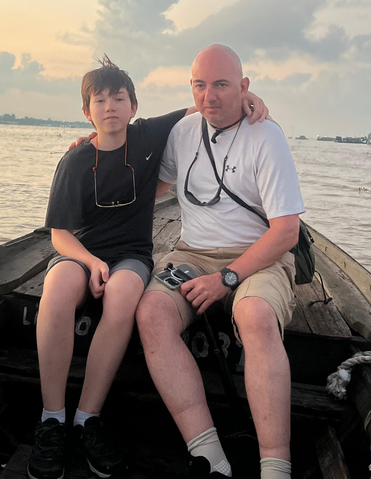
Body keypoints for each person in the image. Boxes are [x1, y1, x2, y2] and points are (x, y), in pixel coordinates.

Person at [29, 56, 267, 479]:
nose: (110, 107)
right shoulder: (76, 160)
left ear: (134, 106)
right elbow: (59, 235)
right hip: (81, 252)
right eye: (99, 100)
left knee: (124, 295)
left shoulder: (148, 135)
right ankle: (52, 418)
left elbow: (205, 106)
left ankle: (87, 418)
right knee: (58, 288)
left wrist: (249, 97)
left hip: (132, 254)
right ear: (87, 112)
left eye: (119, 98)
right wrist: (89, 261)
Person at [135, 44, 305, 479]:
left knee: (254, 315)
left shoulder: (268, 136)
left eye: (222, 85)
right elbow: (157, 186)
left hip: (259, 256)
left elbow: (286, 231)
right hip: (192, 253)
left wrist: (227, 279)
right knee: (152, 312)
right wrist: (96, 150)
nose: (209, 96)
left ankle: (275, 467)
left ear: (245, 87)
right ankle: (210, 457)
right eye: (200, 85)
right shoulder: (184, 130)